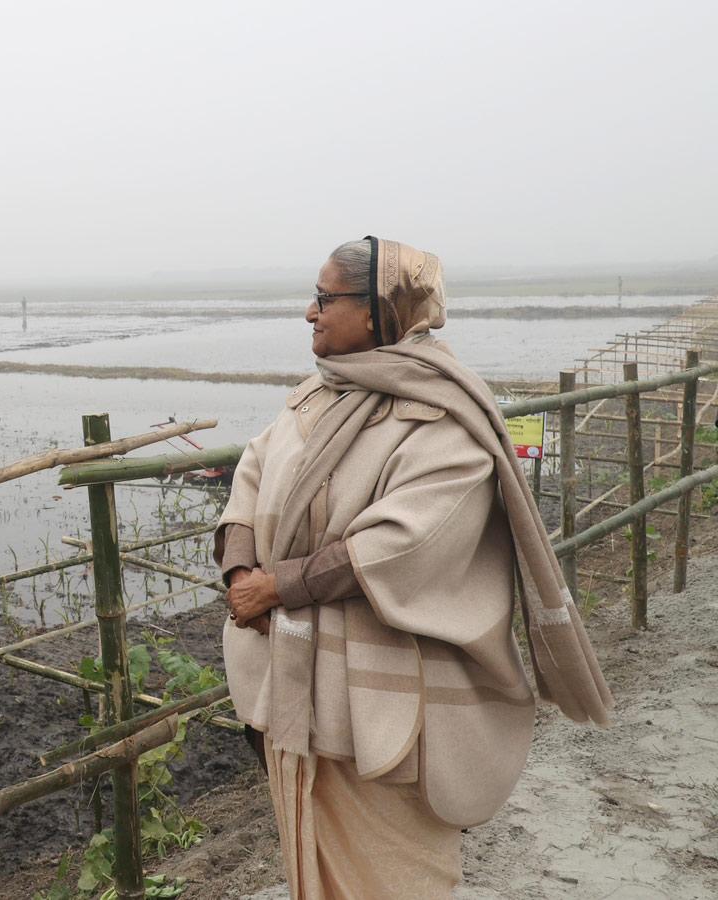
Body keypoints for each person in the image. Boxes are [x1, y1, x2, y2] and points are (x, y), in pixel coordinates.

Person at [214, 237, 612, 898]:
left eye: (324, 298)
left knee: (396, 875)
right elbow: (250, 479)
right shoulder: (316, 396)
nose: (309, 313)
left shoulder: (444, 415)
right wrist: (237, 573)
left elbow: (404, 541)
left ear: (377, 310)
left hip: (374, 706)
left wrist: (277, 585)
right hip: (293, 686)